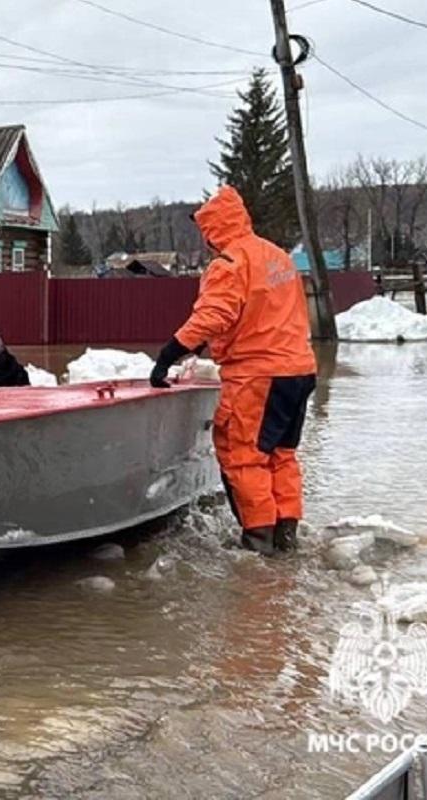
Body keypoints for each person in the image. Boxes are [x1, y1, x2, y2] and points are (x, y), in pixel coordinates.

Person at [149, 185, 316, 556]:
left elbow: (213, 316)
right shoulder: (277, 257)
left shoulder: (229, 264)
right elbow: (263, 313)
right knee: (281, 454)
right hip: (299, 370)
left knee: (244, 455)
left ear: (213, 230)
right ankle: (287, 537)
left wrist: (167, 356)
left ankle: (259, 545)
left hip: (257, 374)